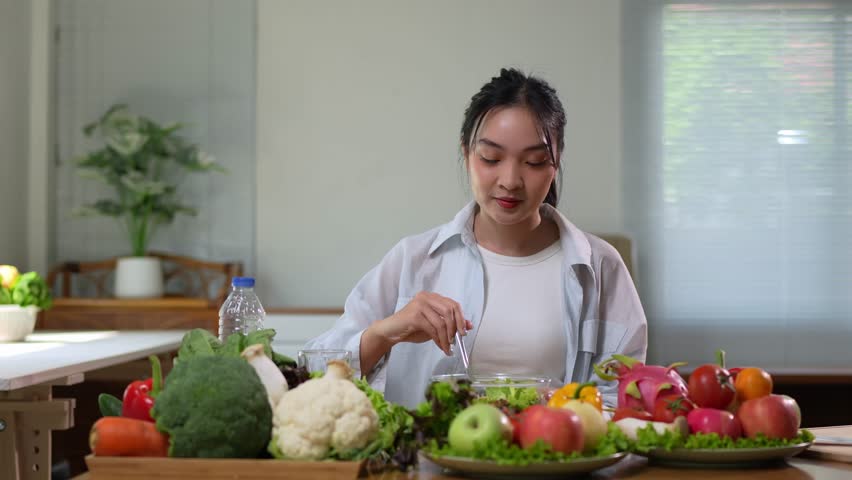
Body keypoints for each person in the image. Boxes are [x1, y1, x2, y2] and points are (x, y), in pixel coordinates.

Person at [304, 68, 647, 408]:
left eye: (534, 161)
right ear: (466, 153)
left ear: (555, 164)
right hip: (428, 462)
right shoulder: (415, 259)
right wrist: (385, 333)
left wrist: (560, 406)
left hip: (556, 461)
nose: (510, 180)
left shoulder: (599, 266)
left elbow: (625, 400)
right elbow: (314, 374)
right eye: (491, 158)